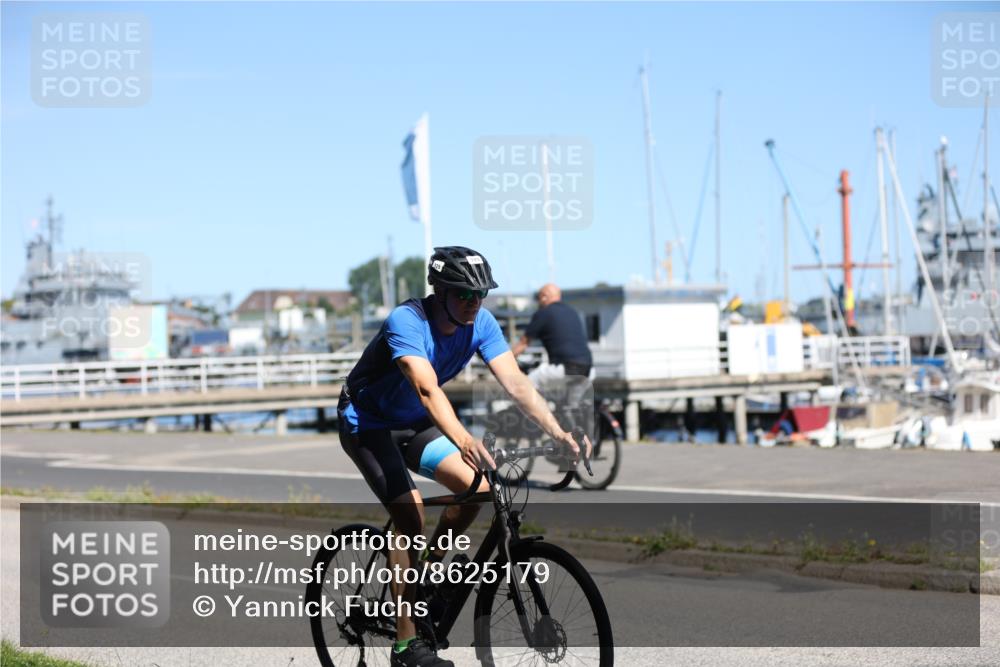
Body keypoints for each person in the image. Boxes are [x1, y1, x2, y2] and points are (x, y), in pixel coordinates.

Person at [338, 246, 589, 667]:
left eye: (481, 295)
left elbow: (517, 384)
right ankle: (405, 646)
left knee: (479, 489)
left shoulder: (482, 324)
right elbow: (426, 389)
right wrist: (465, 439)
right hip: (368, 423)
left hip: (414, 423)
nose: (474, 303)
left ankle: (427, 574)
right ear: (439, 291)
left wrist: (558, 431)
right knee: (410, 515)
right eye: (464, 295)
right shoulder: (407, 321)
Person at [510, 283, 594, 427]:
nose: (538, 302)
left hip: (564, 369)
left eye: (539, 298)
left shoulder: (544, 313)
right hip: (588, 370)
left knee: (525, 385)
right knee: (569, 407)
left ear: (544, 297)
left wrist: (504, 360)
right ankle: (577, 436)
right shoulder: (572, 312)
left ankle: (538, 421)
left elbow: (523, 344)